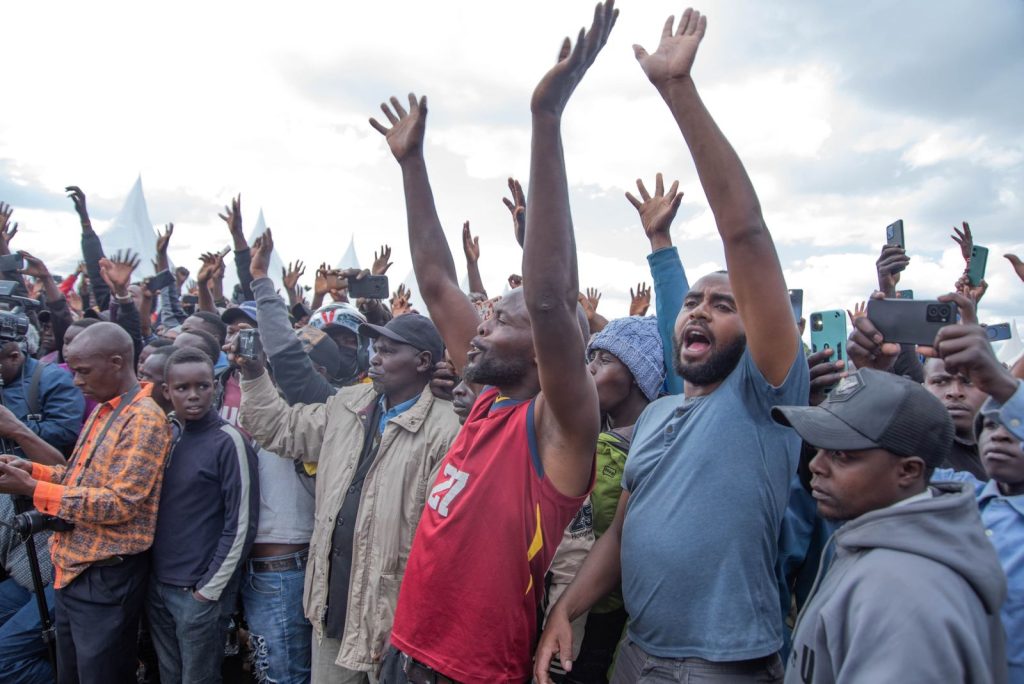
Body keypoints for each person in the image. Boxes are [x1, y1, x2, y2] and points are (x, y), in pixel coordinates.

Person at [537, 10, 807, 683]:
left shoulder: (765, 398)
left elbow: (745, 235)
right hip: (637, 656)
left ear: (757, 331)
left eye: (725, 305)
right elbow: (621, 536)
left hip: (725, 667)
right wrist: (564, 609)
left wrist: (677, 91)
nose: (701, 311)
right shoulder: (656, 416)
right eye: (693, 301)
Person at [372, 5, 614, 682]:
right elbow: (435, 279)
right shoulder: (484, 405)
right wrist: (412, 163)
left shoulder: (560, 429)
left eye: (500, 318)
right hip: (407, 650)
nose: (481, 325)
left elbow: (549, 297)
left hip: (471, 672)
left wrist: (546, 120)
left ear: (549, 349)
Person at [238, 313, 460, 683]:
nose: (374, 357)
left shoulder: (446, 428)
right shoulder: (349, 404)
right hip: (334, 610)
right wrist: (255, 374)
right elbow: (281, 429)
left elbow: (445, 543)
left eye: (388, 351)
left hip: (393, 622)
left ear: (422, 362)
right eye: (375, 348)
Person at [772, 368, 1008, 683]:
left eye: (841, 455)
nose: (816, 465)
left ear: (909, 471)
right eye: (819, 449)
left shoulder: (903, 596)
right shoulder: (875, 546)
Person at [0, 322, 174, 684]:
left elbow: (118, 503)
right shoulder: (103, 408)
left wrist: (33, 487)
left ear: (115, 362)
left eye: (82, 371)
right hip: (74, 569)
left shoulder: (143, 419)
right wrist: (31, 469)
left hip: (105, 574)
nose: (76, 381)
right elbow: (79, 478)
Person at [147, 347, 259, 684]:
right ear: (167, 391)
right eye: (182, 388)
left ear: (215, 386)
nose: (194, 396)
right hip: (158, 586)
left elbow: (241, 524)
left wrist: (208, 590)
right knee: (169, 675)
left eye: (203, 386)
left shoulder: (229, 441)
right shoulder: (167, 434)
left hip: (198, 592)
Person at [0, 493, 55, 684]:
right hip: (26, 583)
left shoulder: (15, 468)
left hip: (66, 579)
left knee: (2, 663)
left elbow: (59, 471)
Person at [0, 331, 84, 457]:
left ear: (14, 357)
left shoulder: (53, 378)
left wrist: (15, 427)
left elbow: (66, 431)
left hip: (35, 469)